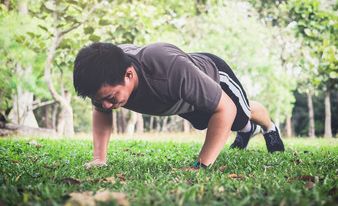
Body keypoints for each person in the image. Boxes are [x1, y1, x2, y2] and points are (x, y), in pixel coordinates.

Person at [73, 42, 284, 170]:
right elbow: (100, 110)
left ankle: (269, 129)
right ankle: (246, 132)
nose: (106, 105)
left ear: (129, 75)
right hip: (185, 99)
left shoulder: (169, 68)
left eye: (110, 97)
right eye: (100, 99)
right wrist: (99, 159)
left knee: (240, 115)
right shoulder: (102, 77)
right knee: (206, 123)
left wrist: (200, 166)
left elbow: (226, 108)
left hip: (214, 77)